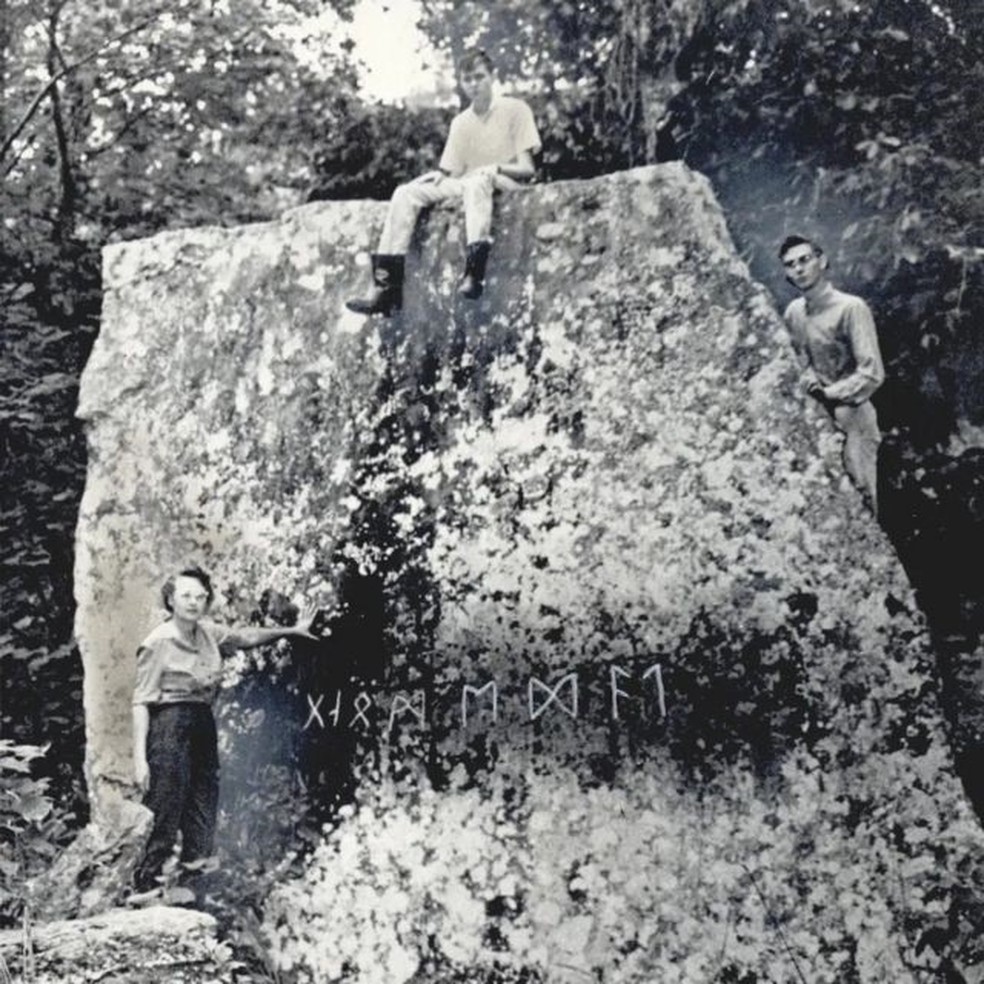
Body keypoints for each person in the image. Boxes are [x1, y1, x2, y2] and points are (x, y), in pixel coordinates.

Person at [130, 565, 320, 902]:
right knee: (167, 795)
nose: (194, 602)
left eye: (201, 597)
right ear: (171, 600)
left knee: (204, 792)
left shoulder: (208, 633)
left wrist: (290, 630)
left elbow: (244, 637)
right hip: (168, 722)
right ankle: (147, 884)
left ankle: (191, 878)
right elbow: (141, 701)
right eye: (186, 595)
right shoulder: (156, 642)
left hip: (202, 720)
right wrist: (139, 759)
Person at [346, 48, 541, 316]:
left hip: (505, 183)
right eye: (468, 79)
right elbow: (452, 172)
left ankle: (474, 275)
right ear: (462, 83)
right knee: (405, 192)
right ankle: (385, 289)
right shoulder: (461, 122)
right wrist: (439, 176)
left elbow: (527, 169)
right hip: (473, 184)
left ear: (492, 76)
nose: (474, 84)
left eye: (480, 77)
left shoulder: (515, 110)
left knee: (478, 181)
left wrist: (493, 167)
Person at [779, 235, 885, 514]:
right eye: (790, 265)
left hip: (853, 415)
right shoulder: (794, 313)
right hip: (817, 416)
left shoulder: (851, 308)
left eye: (805, 260)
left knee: (861, 501)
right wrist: (808, 379)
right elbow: (799, 361)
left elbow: (872, 373)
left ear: (822, 260)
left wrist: (830, 394)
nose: (799, 269)